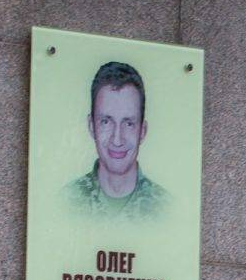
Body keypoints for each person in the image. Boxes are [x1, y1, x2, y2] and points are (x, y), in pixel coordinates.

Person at [65, 61, 170, 218]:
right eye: (106, 122)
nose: (117, 140)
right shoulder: (65, 202)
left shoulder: (166, 208)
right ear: (91, 126)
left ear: (143, 131)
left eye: (129, 123)